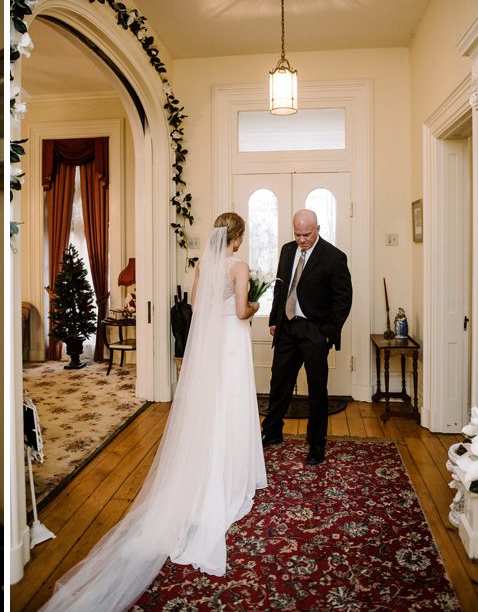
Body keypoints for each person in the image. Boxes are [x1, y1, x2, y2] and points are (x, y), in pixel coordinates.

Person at [37, 213, 268, 611]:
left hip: (212, 342)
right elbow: (245, 310)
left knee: (211, 404)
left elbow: (196, 306)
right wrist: (257, 302)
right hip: (232, 341)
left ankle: (204, 467)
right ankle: (230, 473)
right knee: (232, 401)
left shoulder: (203, 265)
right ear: (238, 238)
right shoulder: (238, 265)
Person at [262, 209, 352, 464]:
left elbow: (343, 301)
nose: (301, 239)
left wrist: (327, 334)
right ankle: (271, 432)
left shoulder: (334, 257)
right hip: (287, 328)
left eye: (307, 234)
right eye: (297, 234)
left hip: (315, 332)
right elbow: (281, 286)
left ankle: (316, 444)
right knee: (278, 384)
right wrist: (274, 319)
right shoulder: (287, 250)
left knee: (316, 390)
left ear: (318, 228)